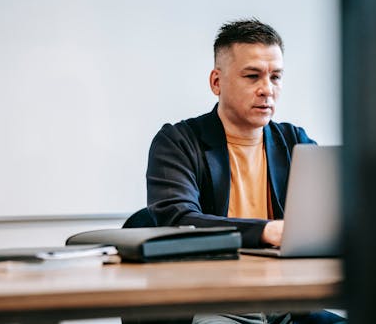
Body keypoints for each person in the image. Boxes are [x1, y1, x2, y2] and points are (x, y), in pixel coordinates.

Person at [145, 19, 346, 324]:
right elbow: (178, 221)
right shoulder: (178, 142)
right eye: (253, 76)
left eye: (276, 77)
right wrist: (266, 231)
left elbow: (328, 220)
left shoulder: (295, 141)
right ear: (216, 82)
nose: (267, 89)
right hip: (213, 299)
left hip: (288, 298)